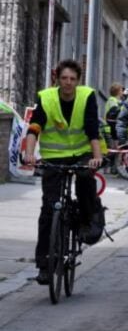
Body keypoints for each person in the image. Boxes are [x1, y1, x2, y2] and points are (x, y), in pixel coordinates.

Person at [23, 59, 103, 285]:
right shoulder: (46, 97)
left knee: (86, 177)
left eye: (72, 79)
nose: (68, 83)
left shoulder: (86, 96)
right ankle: (44, 264)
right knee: (49, 208)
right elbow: (34, 127)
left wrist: (96, 158)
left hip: (81, 153)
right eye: (64, 78)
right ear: (57, 79)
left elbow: (91, 129)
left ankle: (88, 217)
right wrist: (30, 154)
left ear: (78, 81)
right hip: (54, 157)